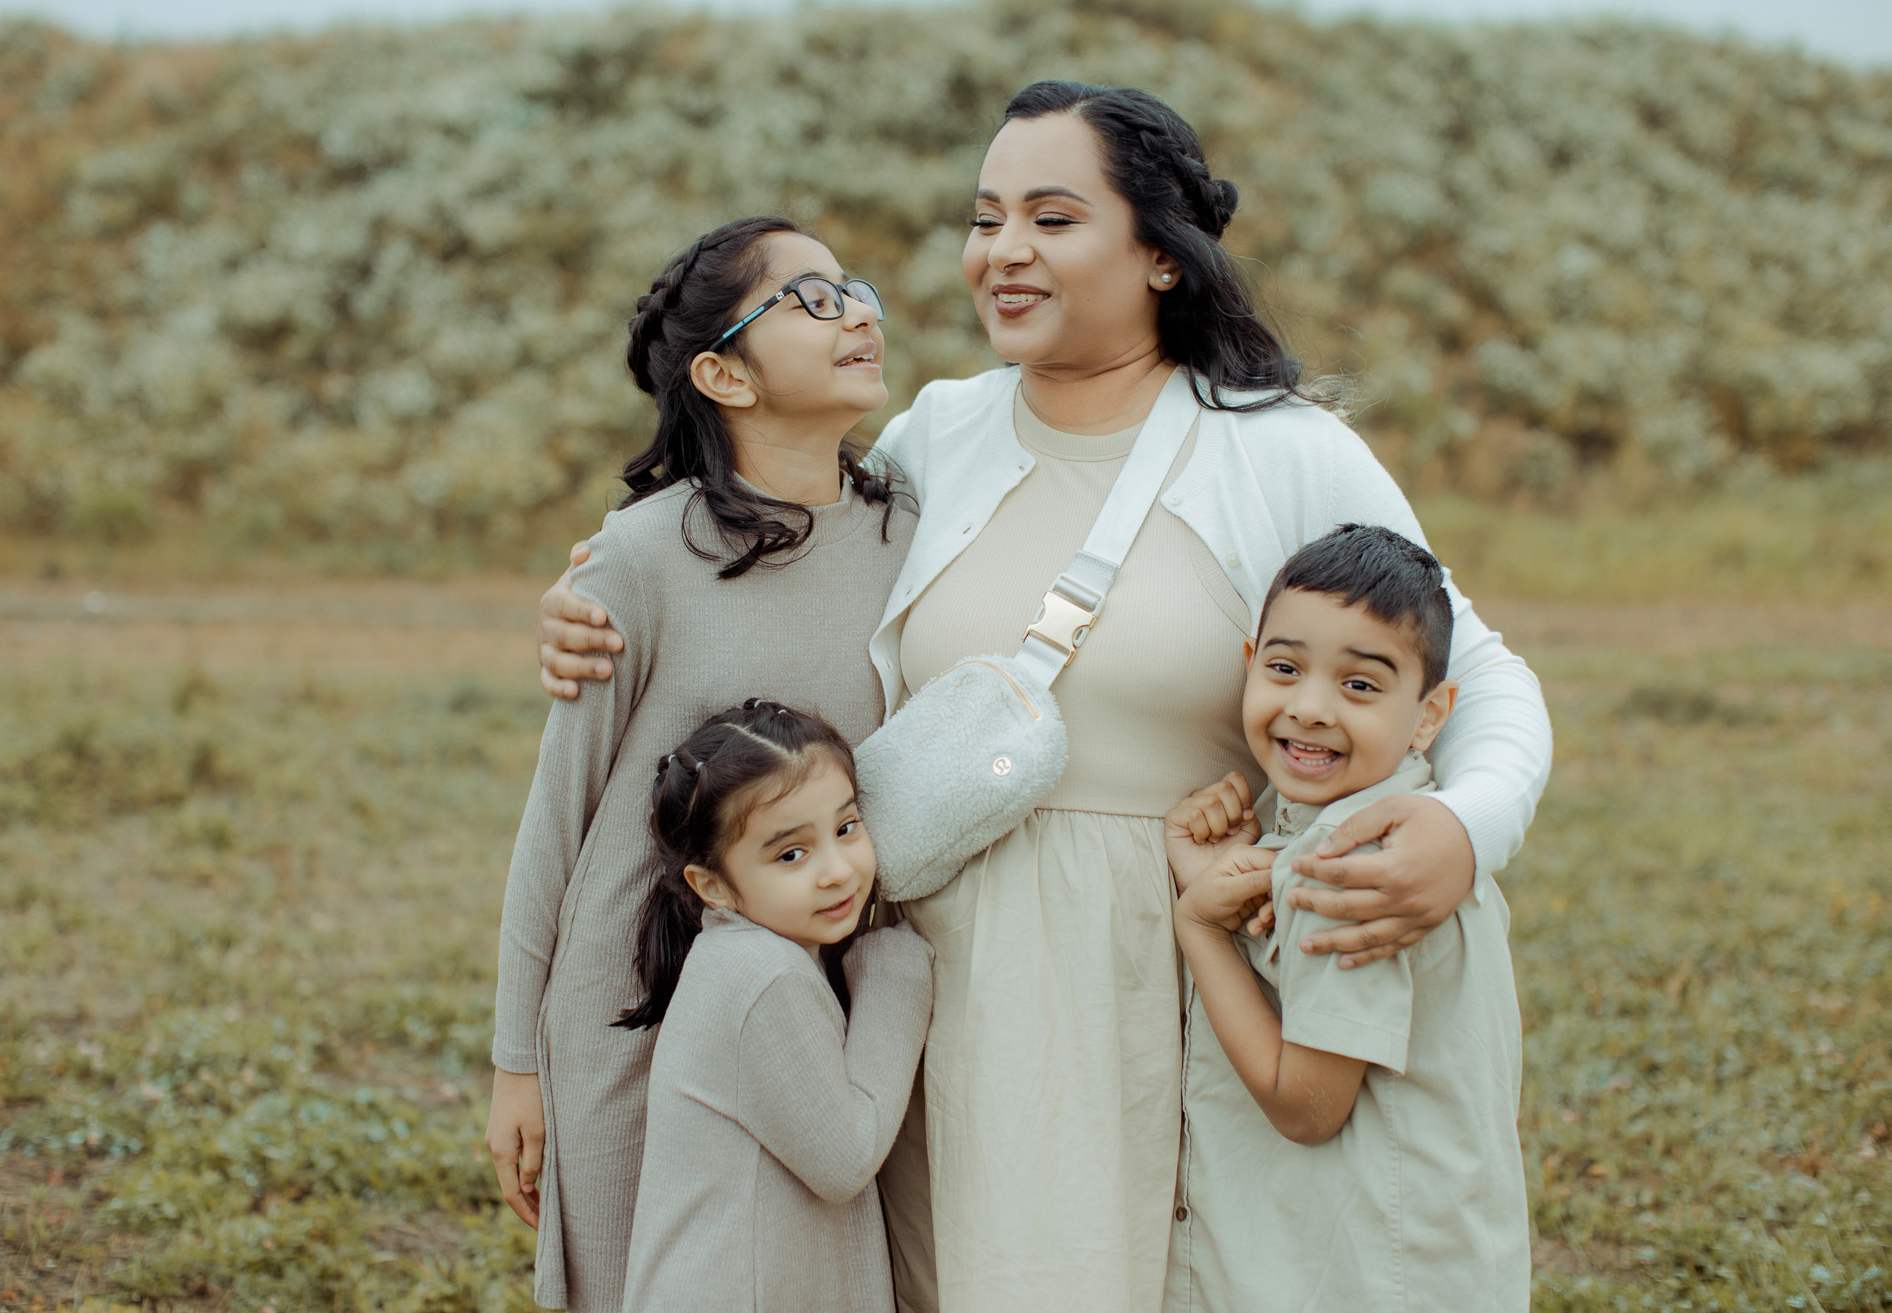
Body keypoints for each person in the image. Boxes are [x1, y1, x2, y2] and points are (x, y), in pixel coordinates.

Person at [535, 81, 1553, 1313]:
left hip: (1167, 979)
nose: (1002, 250)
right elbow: (776, 550)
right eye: (985, 218)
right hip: (925, 982)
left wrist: (1462, 826)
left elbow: (1477, 670)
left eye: (1051, 219)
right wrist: (599, 589)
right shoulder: (938, 435)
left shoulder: (1280, 448)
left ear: (1160, 254)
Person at [485, 215, 918, 1312]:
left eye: (853, 288)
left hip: (821, 1009)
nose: (856, 313)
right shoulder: (639, 555)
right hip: (631, 1014)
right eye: (809, 298)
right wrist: (516, 1062)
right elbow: (560, 818)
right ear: (724, 374)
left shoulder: (912, 529)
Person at [1162, 523, 1529, 1311]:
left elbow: (1308, 1105)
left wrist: (1200, 928)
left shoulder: (1355, 867)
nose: (1310, 708)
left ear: (1429, 715)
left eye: (1360, 685)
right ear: (1249, 662)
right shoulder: (1397, 830)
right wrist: (1221, 872)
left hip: (1373, 1270)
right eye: (1285, 668)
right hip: (1418, 1249)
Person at [617, 700, 933, 1313]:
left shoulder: (741, 956)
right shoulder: (762, 976)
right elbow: (846, 1159)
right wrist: (893, 978)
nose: (837, 871)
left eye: (847, 828)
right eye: (791, 854)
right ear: (712, 885)